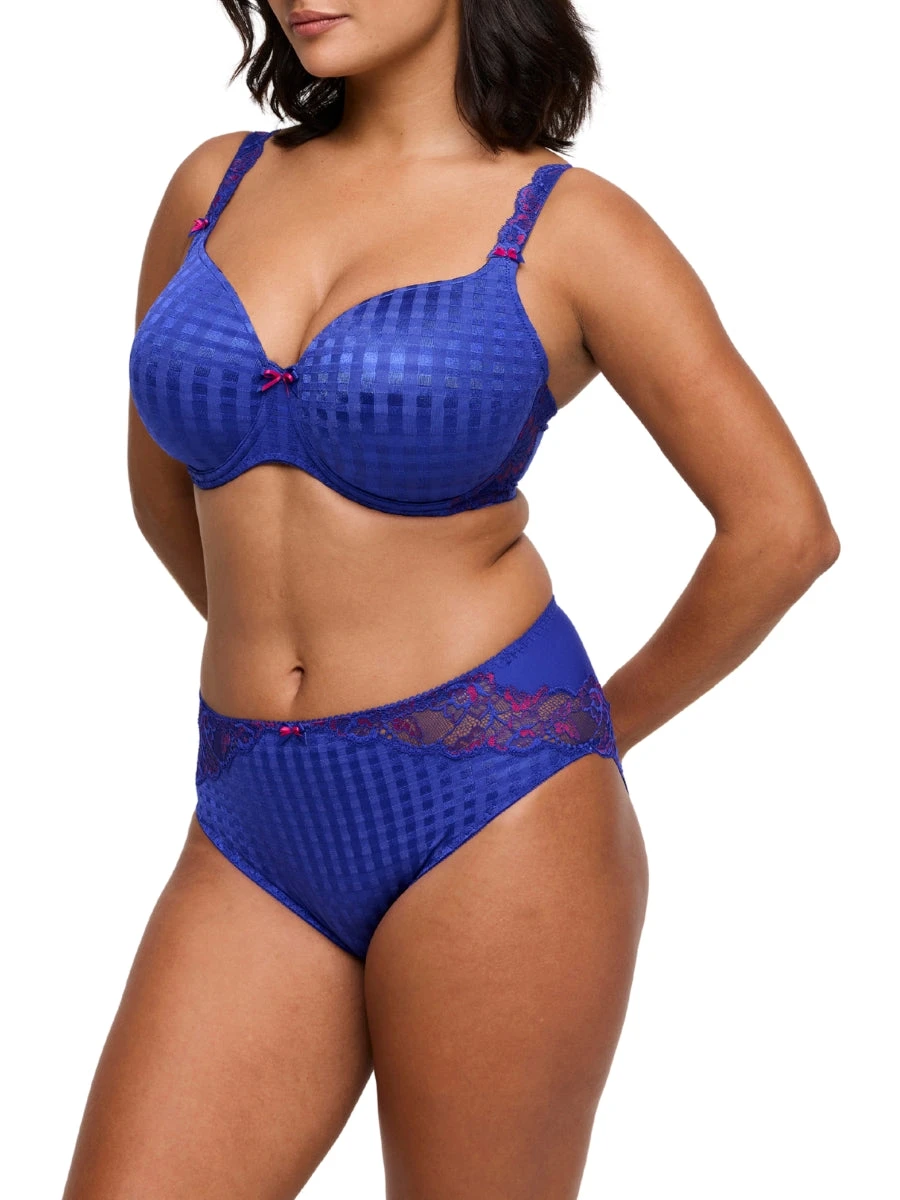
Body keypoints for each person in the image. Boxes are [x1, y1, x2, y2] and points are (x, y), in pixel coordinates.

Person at [62, 1, 840, 1196]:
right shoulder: (213, 188)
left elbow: (782, 531)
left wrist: (578, 736)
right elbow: (159, 492)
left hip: (495, 810)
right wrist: (296, 668)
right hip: (253, 803)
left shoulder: (569, 226)